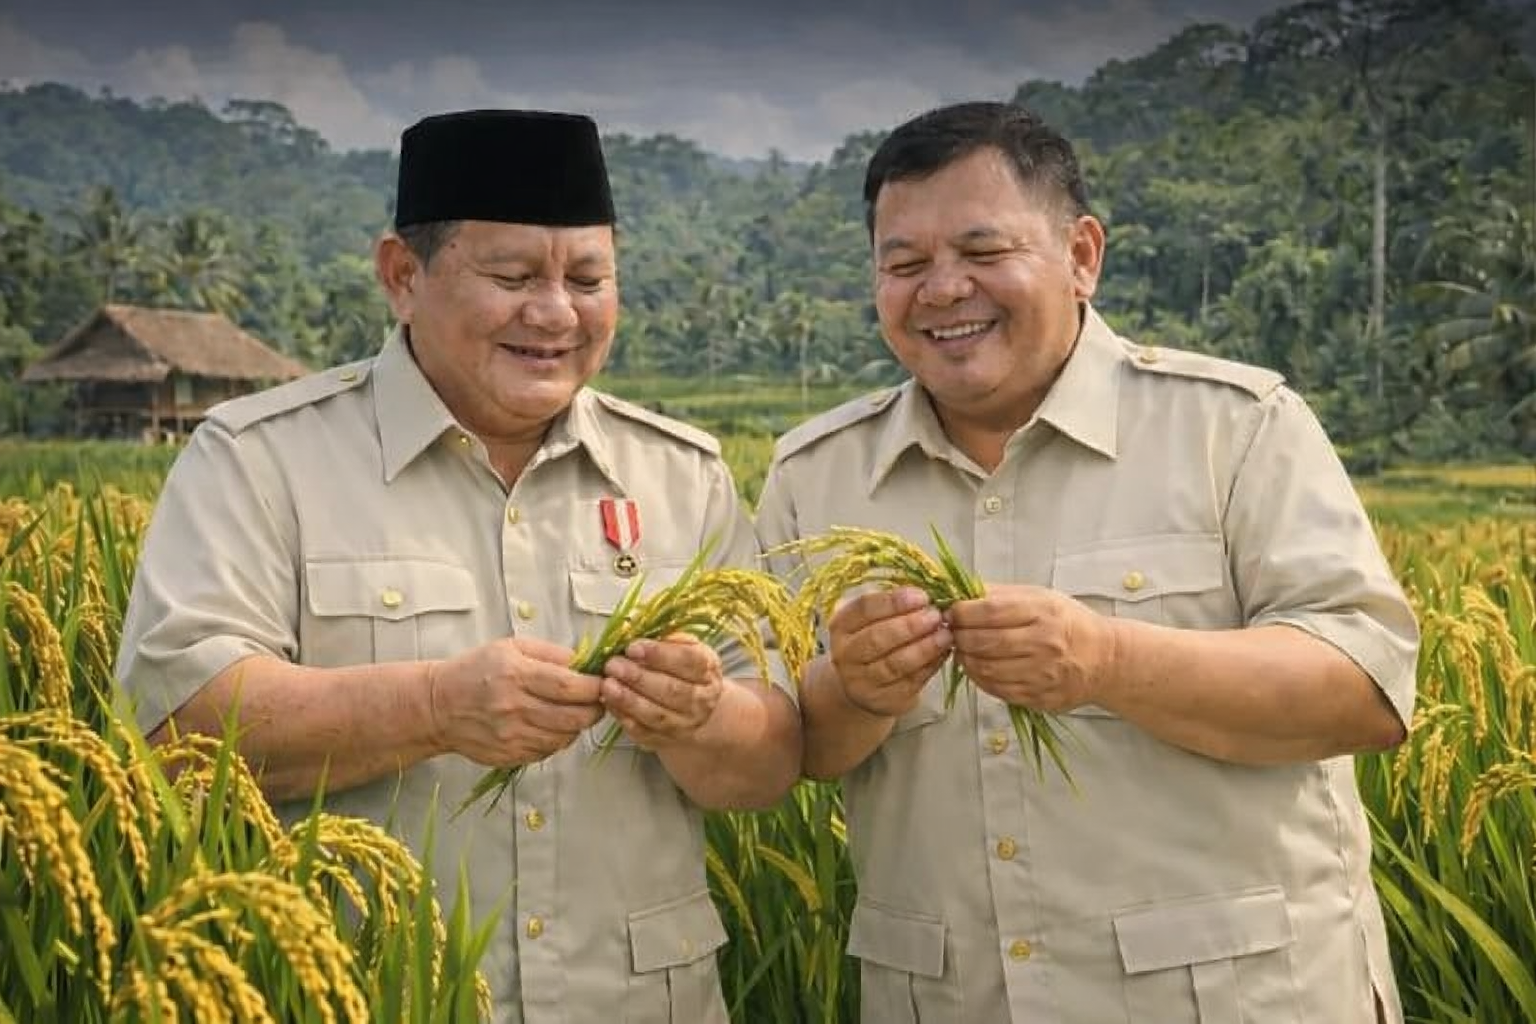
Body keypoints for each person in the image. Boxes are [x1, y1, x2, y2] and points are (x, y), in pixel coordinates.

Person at [116, 108, 802, 1024]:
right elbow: (178, 733)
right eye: (512, 276)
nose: (556, 312)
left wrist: (701, 716)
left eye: (589, 278)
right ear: (403, 275)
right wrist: (434, 705)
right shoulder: (259, 458)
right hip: (370, 997)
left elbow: (768, 763)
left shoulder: (685, 476)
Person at [756, 100, 1418, 1023]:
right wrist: (856, 690)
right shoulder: (813, 479)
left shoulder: (1236, 427)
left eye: (984, 254)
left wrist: (1109, 659)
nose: (943, 289)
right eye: (904, 264)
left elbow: (1365, 690)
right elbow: (787, 747)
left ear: (1082, 256)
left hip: (1239, 999)